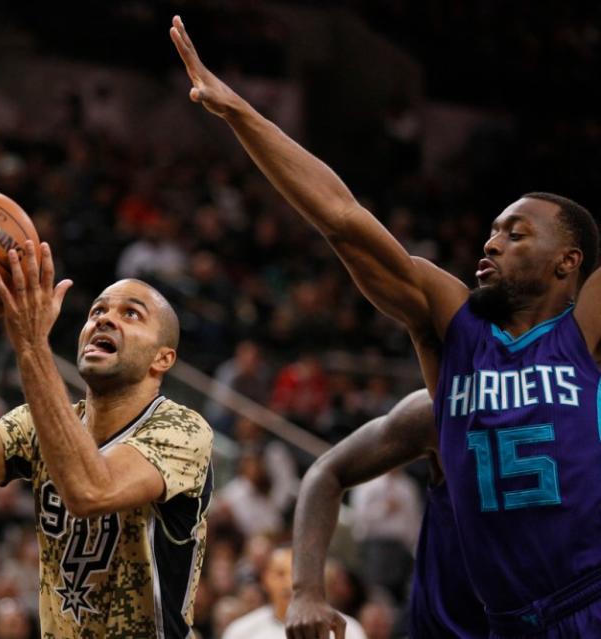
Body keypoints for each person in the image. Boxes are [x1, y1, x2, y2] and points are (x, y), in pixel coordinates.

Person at [171, 15, 601, 636]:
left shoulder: (584, 331)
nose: (491, 240)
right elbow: (344, 219)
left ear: (569, 262)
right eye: (491, 229)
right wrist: (241, 113)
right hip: (504, 621)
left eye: (516, 232)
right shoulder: (452, 327)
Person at [0, 214, 213, 638]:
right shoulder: (38, 424)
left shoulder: (182, 430)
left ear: (163, 359)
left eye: (131, 314)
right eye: (97, 310)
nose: (104, 319)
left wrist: (30, 343)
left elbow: (90, 489)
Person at [286, 390, 487, 638]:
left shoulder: (406, 487)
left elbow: (414, 522)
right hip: (385, 553)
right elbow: (326, 474)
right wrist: (306, 591)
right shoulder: (437, 407)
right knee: (381, 595)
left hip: (412, 555)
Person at [222, 548, 366, 639]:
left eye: (297, 574)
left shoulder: (347, 628)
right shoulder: (240, 631)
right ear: (265, 579)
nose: (289, 583)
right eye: (280, 574)